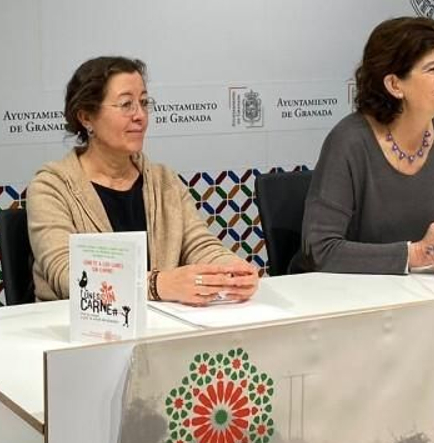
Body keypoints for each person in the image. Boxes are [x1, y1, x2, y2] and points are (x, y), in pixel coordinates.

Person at [27, 56, 261, 304]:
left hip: (160, 327)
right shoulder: (51, 187)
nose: (140, 115)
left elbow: (198, 244)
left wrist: (230, 270)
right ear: (86, 117)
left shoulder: (164, 180)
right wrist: (157, 285)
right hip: (80, 332)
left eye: (144, 102)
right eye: (126, 104)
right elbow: (69, 276)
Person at [301, 17, 434, 274]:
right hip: (351, 297)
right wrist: (415, 254)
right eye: (433, 69)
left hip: (424, 290)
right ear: (394, 84)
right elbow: (320, 249)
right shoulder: (349, 141)